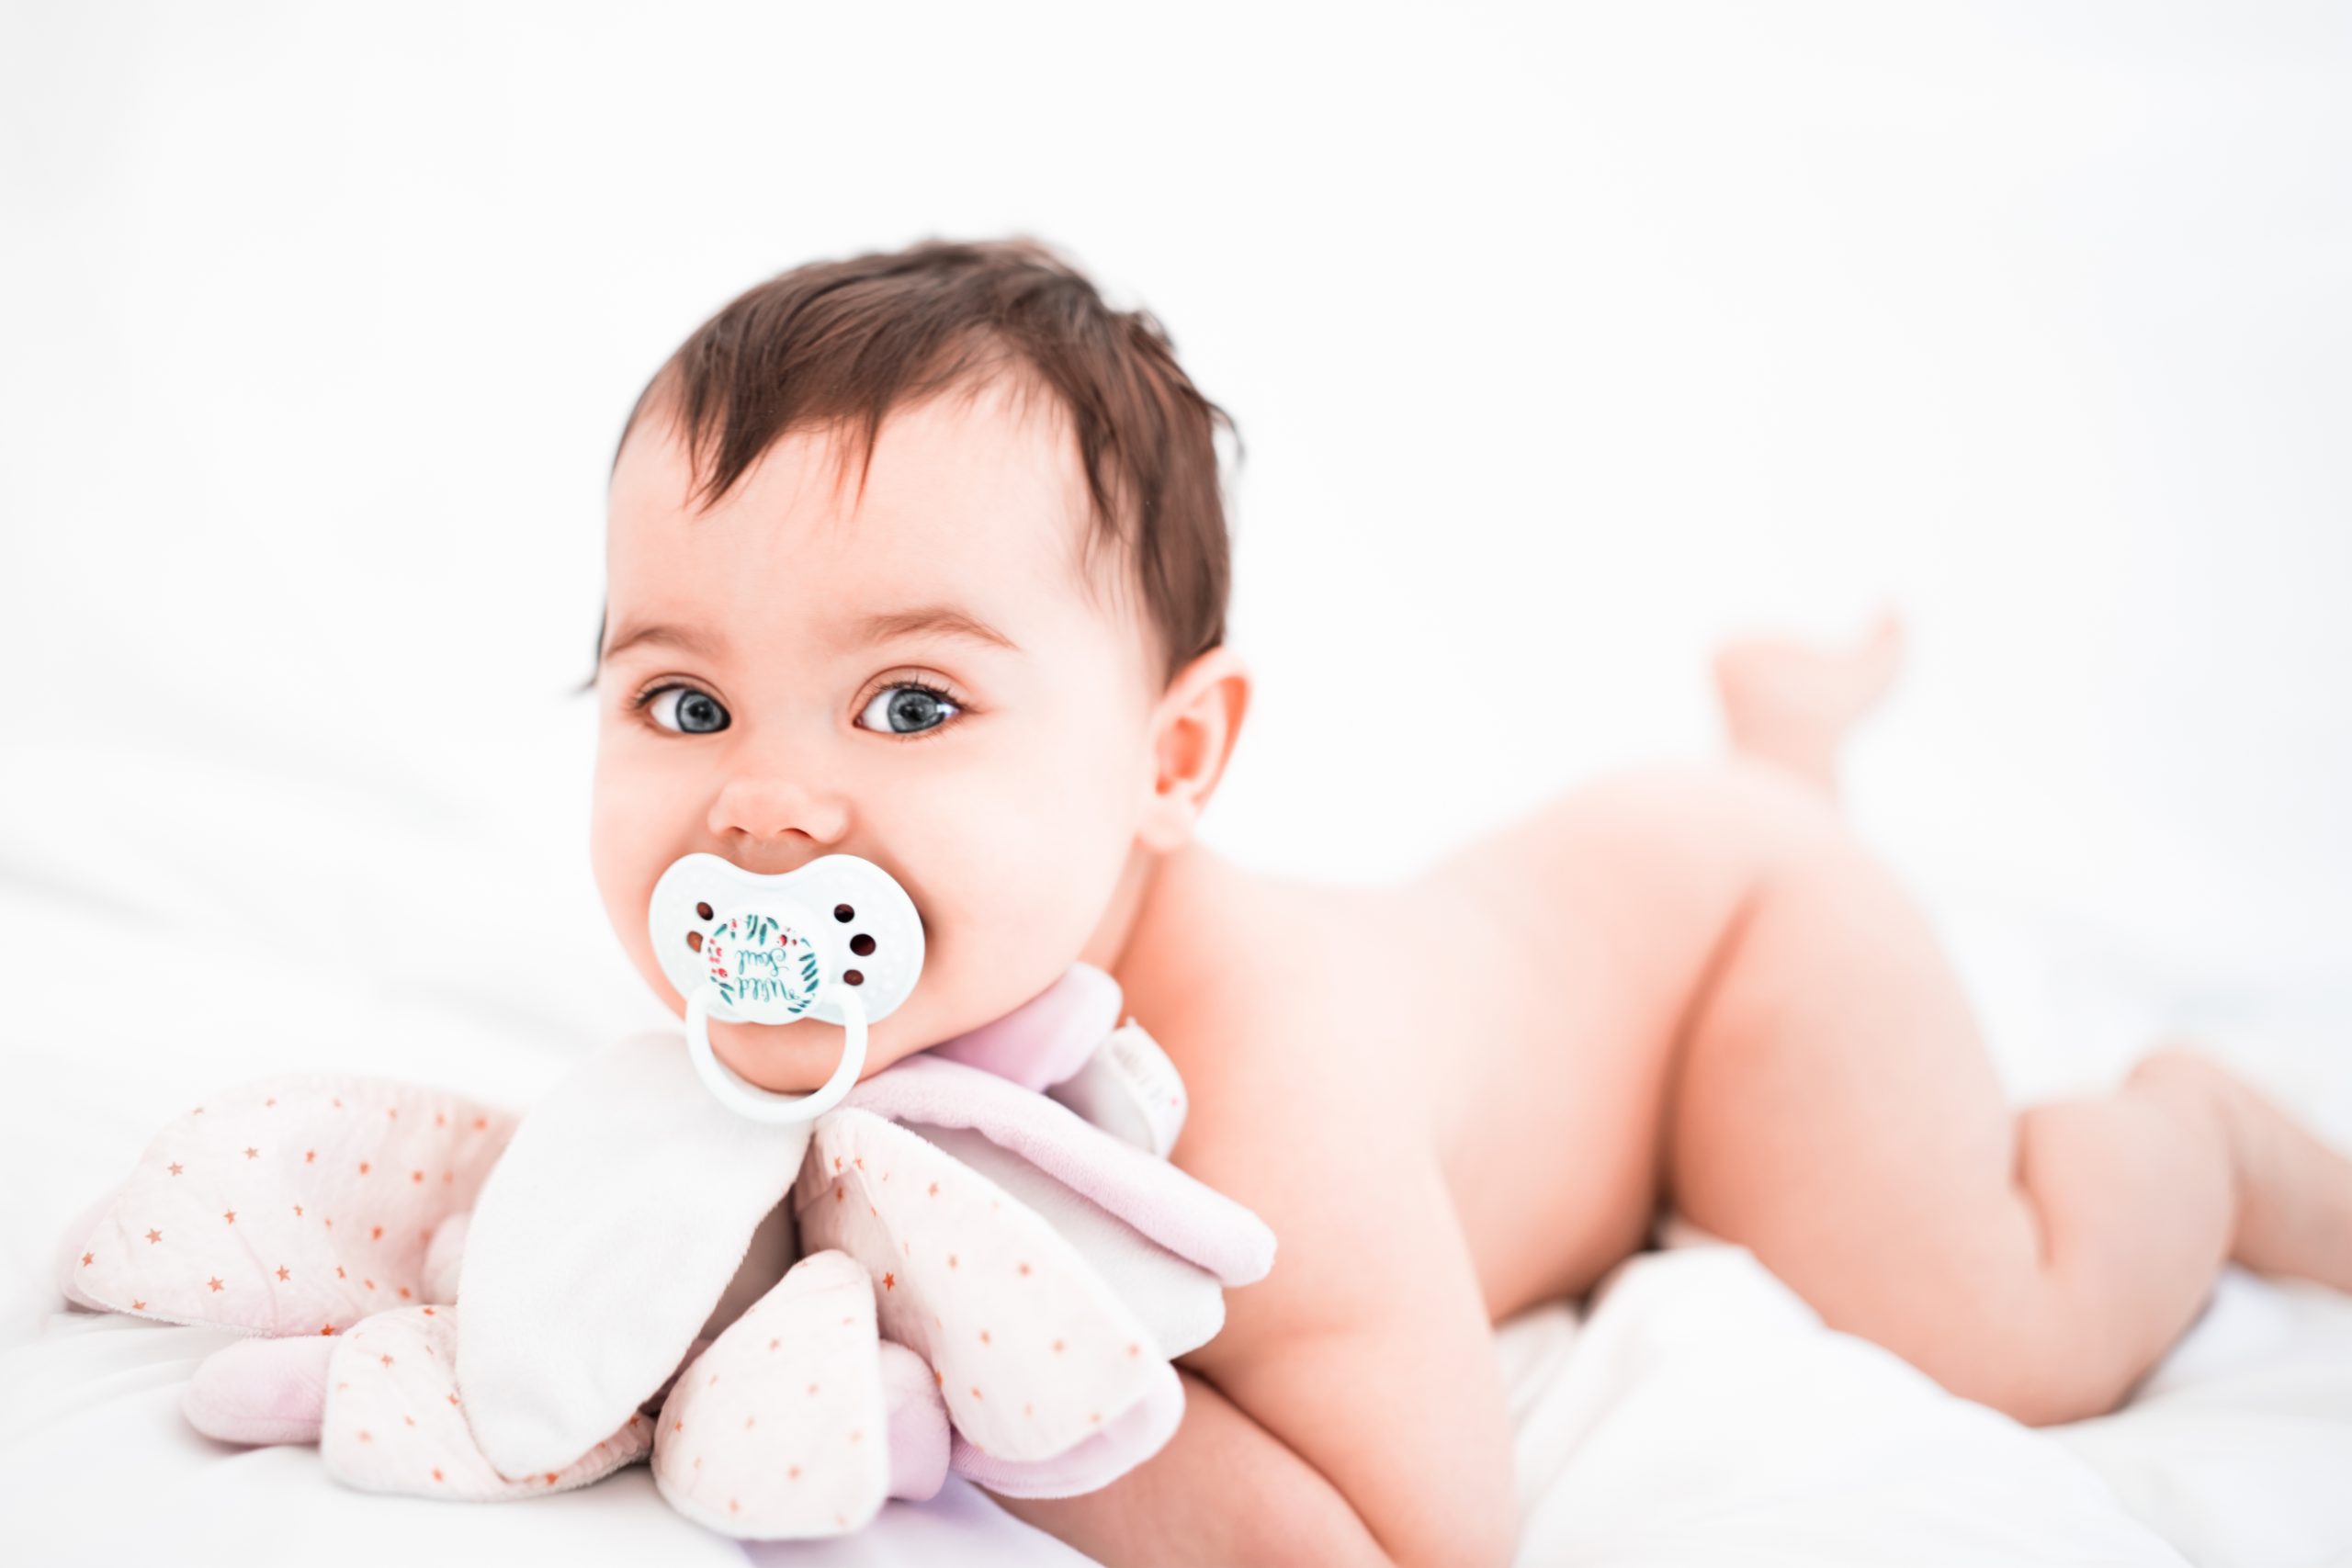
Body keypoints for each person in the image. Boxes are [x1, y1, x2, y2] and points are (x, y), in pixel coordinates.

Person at [582, 236, 2352, 1568]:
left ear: (1170, 761)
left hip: (1736, 945)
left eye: (910, 706)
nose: (764, 805)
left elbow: (1420, 1537)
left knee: (1988, 1326)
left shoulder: (1266, 1098)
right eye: (685, 703)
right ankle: (1785, 751)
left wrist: (1008, 1389)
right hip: (1590, 925)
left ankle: (2198, 1142)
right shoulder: (817, 1010)